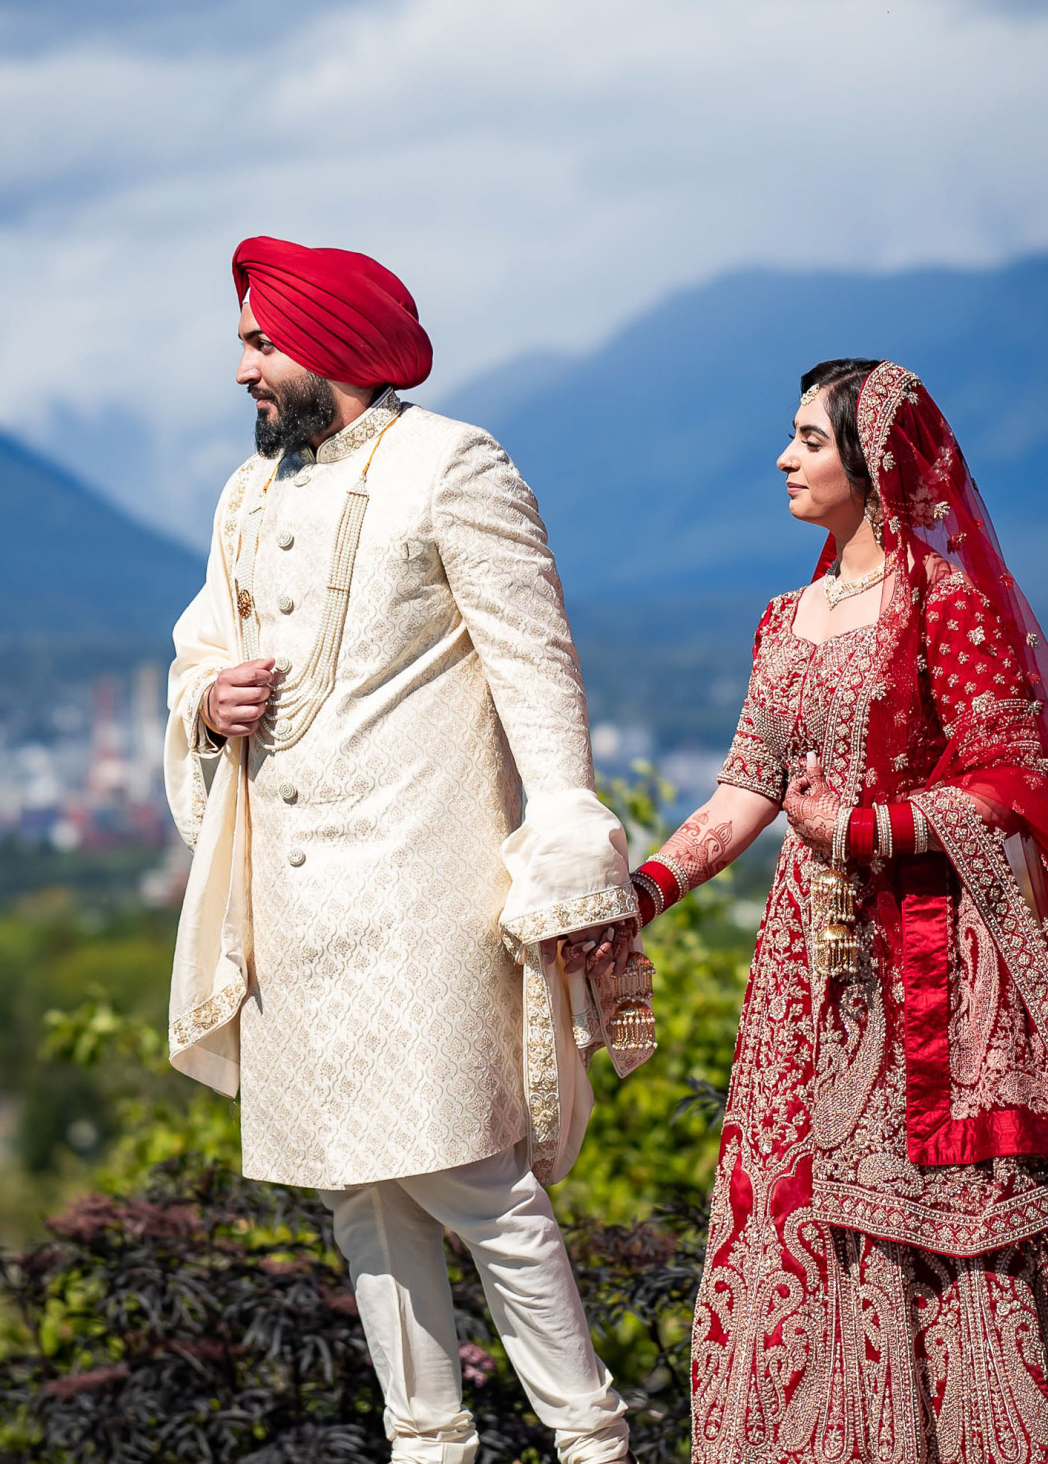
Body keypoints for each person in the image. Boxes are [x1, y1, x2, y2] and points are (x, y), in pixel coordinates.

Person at [630, 358, 1048, 1464]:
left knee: (961, 1235)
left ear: (870, 459)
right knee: (795, 1214)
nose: (783, 457)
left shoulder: (940, 604)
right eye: (793, 435)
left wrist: (866, 830)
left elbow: (1016, 783)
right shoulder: (780, 617)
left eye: (808, 438)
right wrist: (646, 887)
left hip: (930, 976)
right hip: (804, 975)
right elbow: (744, 784)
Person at [163, 237, 649, 1464]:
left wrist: (566, 846)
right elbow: (197, 652)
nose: (242, 372)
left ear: (331, 346)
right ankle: (426, 1444)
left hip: (426, 887)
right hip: (290, 898)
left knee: (476, 1179)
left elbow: (538, 672)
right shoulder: (247, 493)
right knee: (358, 1192)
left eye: (259, 343)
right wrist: (209, 700)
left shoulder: (453, 464)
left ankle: (590, 1441)